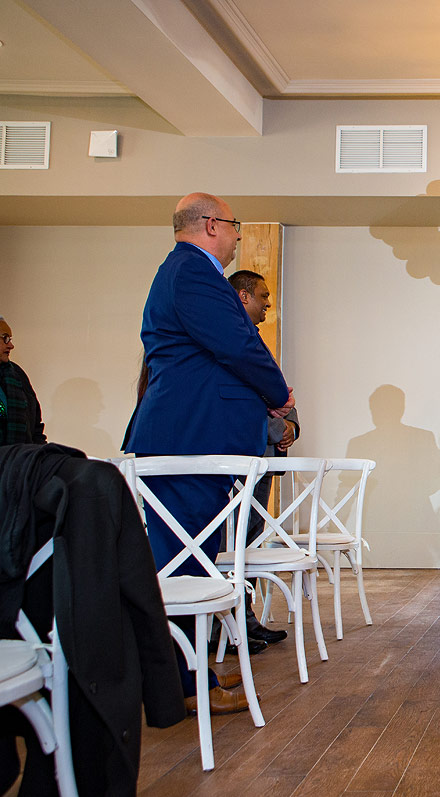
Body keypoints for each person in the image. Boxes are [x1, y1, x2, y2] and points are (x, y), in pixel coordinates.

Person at [124, 193, 294, 714]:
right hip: (190, 439)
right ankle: (176, 685)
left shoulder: (186, 272)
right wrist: (279, 392)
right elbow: (238, 346)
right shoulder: (192, 272)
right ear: (212, 224)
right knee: (181, 566)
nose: (240, 236)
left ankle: (190, 676)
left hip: (195, 438)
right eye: (236, 226)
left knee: (192, 562)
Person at [228, 268, 297, 647]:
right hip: (242, 453)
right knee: (234, 540)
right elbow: (246, 398)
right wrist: (277, 429)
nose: (269, 302)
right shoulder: (232, 339)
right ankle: (232, 621)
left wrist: (292, 428)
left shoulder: (255, 340)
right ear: (243, 296)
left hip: (263, 454)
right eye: (263, 295)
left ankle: (245, 617)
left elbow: (282, 393)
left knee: (250, 539)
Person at [0, 318, 47, 446]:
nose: (11, 345)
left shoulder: (17, 374)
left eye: (10, 339)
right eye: (5, 338)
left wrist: (39, 456)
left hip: (20, 461)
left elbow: (36, 427)